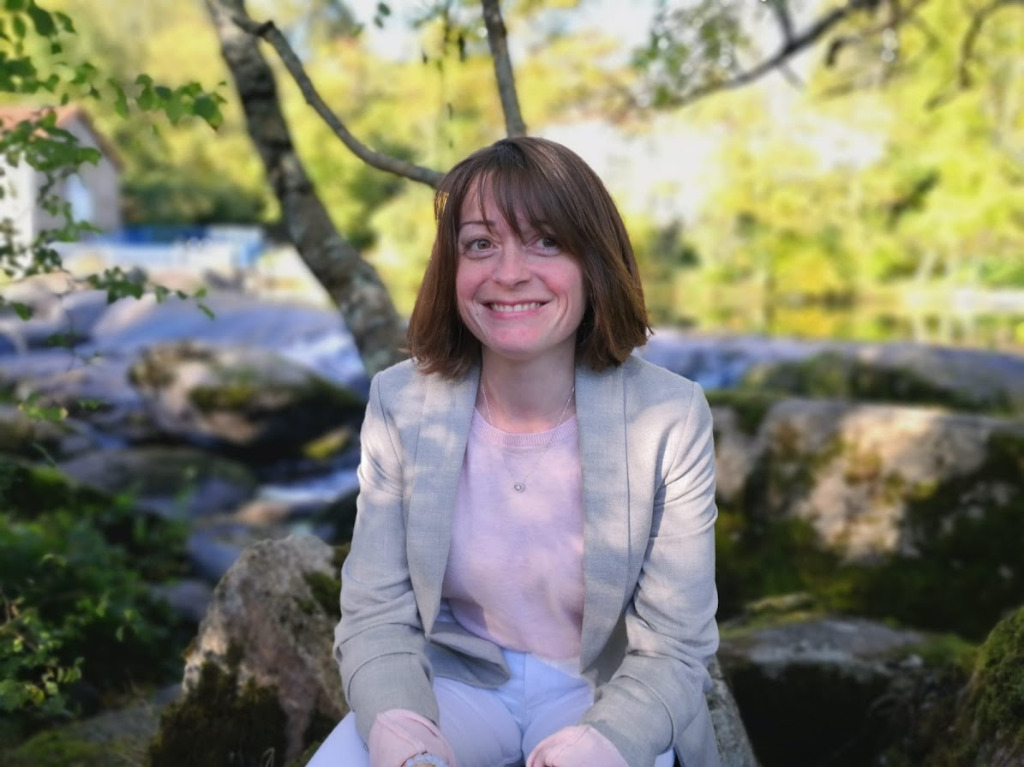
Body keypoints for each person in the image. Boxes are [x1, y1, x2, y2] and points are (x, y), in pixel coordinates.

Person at [307, 136, 720, 767]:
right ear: (453, 269)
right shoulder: (401, 404)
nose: (508, 272)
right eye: (480, 244)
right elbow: (375, 611)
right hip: (455, 683)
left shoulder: (669, 416)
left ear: (595, 263)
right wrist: (395, 721)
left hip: (605, 692)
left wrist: (608, 741)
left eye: (545, 240)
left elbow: (675, 647)